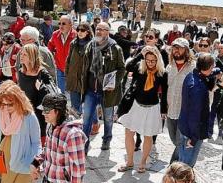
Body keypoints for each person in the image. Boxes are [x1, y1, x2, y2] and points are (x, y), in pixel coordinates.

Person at [117, 47, 167, 173]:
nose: (150, 63)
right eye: (148, 60)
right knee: (129, 133)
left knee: (148, 136)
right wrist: (140, 54)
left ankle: (143, 162)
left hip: (152, 108)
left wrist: (163, 110)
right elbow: (128, 67)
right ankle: (129, 162)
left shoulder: (162, 73)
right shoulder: (140, 68)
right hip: (136, 105)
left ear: (157, 60)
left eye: (153, 61)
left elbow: (165, 93)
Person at [79, 22, 126, 152]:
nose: (98, 31)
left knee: (108, 118)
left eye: (102, 29)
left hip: (107, 92)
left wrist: (114, 83)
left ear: (108, 32)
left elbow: (122, 69)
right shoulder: (90, 46)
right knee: (86, 119)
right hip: (90, 90)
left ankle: (107, 139)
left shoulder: (115, 49)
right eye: (97, 29)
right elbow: (85, 68)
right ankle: (84, 144)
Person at [177, 53, 216, 168]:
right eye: (212, 67)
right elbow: (195, 115)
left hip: (185, 127)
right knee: (186, 166)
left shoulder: (191, 75)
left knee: (182, 161)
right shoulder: (198, 88)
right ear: (209, 67)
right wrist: (193, 139)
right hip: (192, 132)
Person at [165, 38, 196, 163]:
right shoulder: (169, 67)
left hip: (184, 112)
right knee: (174, 139)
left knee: (180, 141)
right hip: (170, 110)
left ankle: (174, 166)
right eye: (174, 47)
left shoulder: (193, 68)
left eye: (180, 47)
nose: (176, 50)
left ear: (186, 50)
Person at [17, 43, 54, 142]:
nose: (21, 56)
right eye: (21, 54)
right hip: (25, 110)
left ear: (31, 56)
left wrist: (41, 88)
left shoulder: (42, 73)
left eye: (25, 54)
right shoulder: (21, 71)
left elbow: (52, 91)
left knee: (39, 136)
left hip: (39, 111)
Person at [65, 23, 92, 115]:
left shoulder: (92, 45)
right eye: (78, 30)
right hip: (73, 78)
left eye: (82, 30)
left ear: (87, 32)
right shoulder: (73, 43)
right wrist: (67, 75)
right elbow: (68, 60)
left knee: (87, 107)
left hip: (87, 80)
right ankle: (77, 121)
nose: (79, 32)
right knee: (75, 108)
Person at [47, 15, 74, 93]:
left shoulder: (76, 36)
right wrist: (52, 58)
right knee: (60, 92)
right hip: (59, 68)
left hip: (72, 70)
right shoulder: (55, 34)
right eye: (59, 23)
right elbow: (50, 46)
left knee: (72, 93)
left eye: (63, 24)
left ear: (70, 24)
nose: (61, 26)